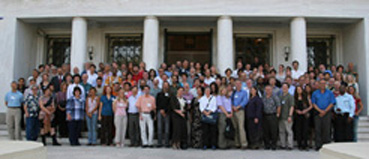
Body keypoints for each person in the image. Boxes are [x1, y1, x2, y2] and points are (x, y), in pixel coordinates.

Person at [311, 80, 336, 150]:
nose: (322, 85)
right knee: (317, 129)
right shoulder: (315, 93)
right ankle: (318, 145)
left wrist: (325, 111)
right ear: (318, 84)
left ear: (326, 84)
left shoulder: (330, 93)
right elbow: (313, 103)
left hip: (327, 113)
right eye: (321, 83)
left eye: (324, 83)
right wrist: (320, 111)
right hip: (317, 113)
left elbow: (332, 103)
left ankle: (327, 146)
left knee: (327, 129)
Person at [231, 80, 249, 149]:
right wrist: (233, 106)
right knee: (236, 127)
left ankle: (244, 143)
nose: (238, 85)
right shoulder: (234, 92)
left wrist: (238, 107)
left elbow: (245, 101)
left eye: (239, 84)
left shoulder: (244, 92)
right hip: (233, 111)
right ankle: (237, 143)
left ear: (241, 85)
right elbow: (231, 100)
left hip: (240, 111)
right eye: (236, 84)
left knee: (241, 127)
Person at [262, 85, 280, 150]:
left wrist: (278, 113)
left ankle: (273, 145)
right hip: (265, 115)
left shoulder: (275, 97)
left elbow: (278, 105)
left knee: (273, 131)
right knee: (266, 131)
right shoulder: (263, 97)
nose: (268, 91)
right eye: (266, 90)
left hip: (272, 115)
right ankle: (267, 145)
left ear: (271, 90)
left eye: (269, 90)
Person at [294, 86, 312, 150]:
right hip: (298, 116)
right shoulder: (295, 98)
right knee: (298, 130)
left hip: (305, 115)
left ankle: (305, 145)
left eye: (300, 89)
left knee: (305, 130)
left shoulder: (306, 97)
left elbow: (311, 106)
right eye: (297, 89)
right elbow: (293, 106)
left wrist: (305, 110)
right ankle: (300, 144)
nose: (299, 90)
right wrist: (296, 111)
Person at [278, 83, 294, 150]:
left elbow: (292, 106)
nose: (284, 89)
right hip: (281, 117)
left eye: (285, 87)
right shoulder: (280, 96)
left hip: (287, 116)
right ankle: (283, 144)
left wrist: (290, 115)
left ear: (288, 88)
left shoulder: (290, 96)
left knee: (289, 131)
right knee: (281, 131)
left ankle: (290, 145)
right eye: (283, 87)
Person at [156, 81, 171, 148]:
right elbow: (157, 103)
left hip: (167, 113)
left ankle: (167, 143)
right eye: (164, 85)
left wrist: (165, 111)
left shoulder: (170, 95)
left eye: (166, 85)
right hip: (159, 111)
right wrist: (161, 110)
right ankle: (159, 143)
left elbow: (170, 104)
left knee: (167, 128)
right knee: (159, 127)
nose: (165, 86)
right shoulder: (159, 94)